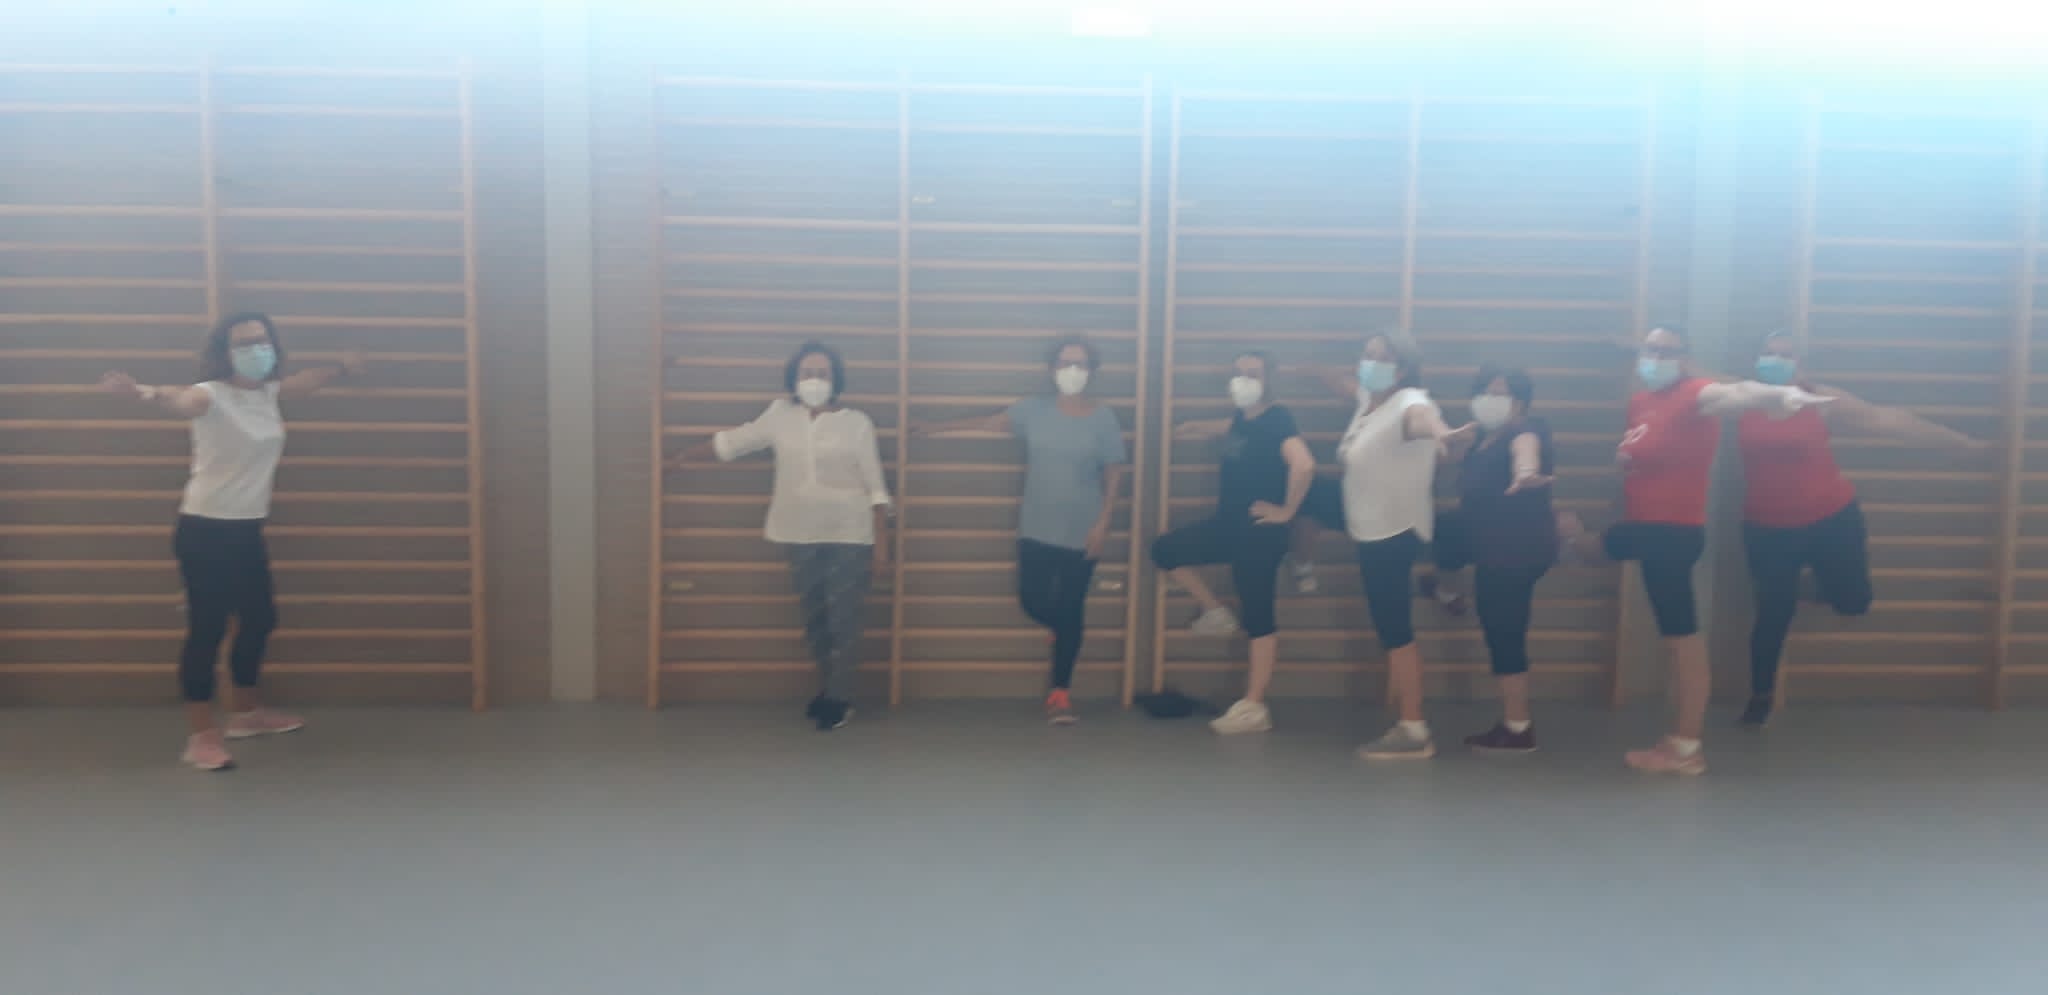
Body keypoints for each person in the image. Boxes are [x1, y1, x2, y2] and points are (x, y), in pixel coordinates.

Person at [97, 312, 365, 771]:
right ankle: (201, 736)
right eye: (243, 343)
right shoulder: (210, 394)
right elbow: (179, 399)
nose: (255, 349)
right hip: (205, 530)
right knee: (208, 630)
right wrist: (143, 392)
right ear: (224, 352)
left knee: (260, 619)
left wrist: (341, 367)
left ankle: (245, 713)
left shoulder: (268, 393)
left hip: (245, 529)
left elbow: (303, 383)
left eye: (261, 340)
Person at [1558, 324, 1829, 775]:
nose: (1656, 358)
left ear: (1684, 359)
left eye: (1667, 351)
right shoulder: (1641, 403)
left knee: (1682, 641)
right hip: (1642, 525)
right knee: (1598, 549)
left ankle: (1686, 747)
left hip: (1670, 534)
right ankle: (1574, 540)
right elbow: (1637, 463)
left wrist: (1777, 395)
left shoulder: (1694, 394)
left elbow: (1733, 395)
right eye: (1650, 349)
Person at [1736, 330, 1981, 727]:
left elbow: (1888, 420)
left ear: (1801, 365)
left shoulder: (1820, 399)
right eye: (1768, 353)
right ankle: (1760, 698)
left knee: (1854, 602)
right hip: (1768, 528)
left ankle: (1801, 589)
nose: (1775, 361)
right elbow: (1695, 377)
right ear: (1756, 360)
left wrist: (1958, 442)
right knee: (1771, 614)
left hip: (1831, 518)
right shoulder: (1741, 398)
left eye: (1785, 355)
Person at [668, 341, 892, 731]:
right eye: (807, 373)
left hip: (851, 534)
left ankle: (839, 699)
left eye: (822, 373)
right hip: (797, 532)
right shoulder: (779, 416)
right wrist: (684, 456)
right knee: (815, 620)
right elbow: (734, 442)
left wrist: (882, 544)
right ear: (794, 378)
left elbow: (875, 485)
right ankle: (828, 688)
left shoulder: (857, 423)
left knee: (843, 621)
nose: (815, 380)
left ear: (835, 379)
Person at [911, 338, 1128, 725]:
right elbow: (988, 423)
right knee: (1033, 601)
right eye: (1065, 362)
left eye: (1080, 364)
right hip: (1036, 527)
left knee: (1072, 607)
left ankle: (1060, 694)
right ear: (1052, 368)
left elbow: (1114, 470)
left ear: (1091, 371)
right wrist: (935, 428)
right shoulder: (1033, 410)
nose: (1072, 371)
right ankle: (1062, 631)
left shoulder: (1103, 418)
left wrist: (1104, 522)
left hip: (1083, 530)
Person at [1307, 331, 1456, 761]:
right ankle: (1303, 561)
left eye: (1381, 357)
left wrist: (1442, 433)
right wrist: (1313, 369)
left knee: (1395, 630)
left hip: (1391, 533)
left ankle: (1414, 728)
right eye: (1367, 355)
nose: (1369, 363)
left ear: (1403, 369)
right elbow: (1347, 386)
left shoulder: (1409, 400)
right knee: (1301, 489)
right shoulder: (1369, 402)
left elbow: (1421, 418)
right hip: (1363, 520)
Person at [1153, 350, 1315, 734]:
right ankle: (1215, 612)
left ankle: (1254, 705)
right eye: (1238, 372)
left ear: (1268, 378)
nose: (1243, 379)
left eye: (1252, 373)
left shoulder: (1278, 418)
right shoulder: (1244, 417)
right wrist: (1195, 426)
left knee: (1259, 616)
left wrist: (1286, 511)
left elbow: (1304, 463)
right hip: (1228, 526)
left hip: (1260, 534)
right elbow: (1231, 428)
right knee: (1165, 549)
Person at [1430, 365, 1558, 752]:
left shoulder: (1527, 430)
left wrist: (1526, 473)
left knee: (1503, 631)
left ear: (1520, 401)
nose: (1491, 399)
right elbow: (1448, 461)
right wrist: (1449, 443)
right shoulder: (1482, 438)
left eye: (1501, 393)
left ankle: (1518, 728)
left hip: (1513, 553)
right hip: (1485, 541)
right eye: (1485, 391)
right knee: (1442, 527)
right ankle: (1447, 590)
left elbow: (1526, 452)